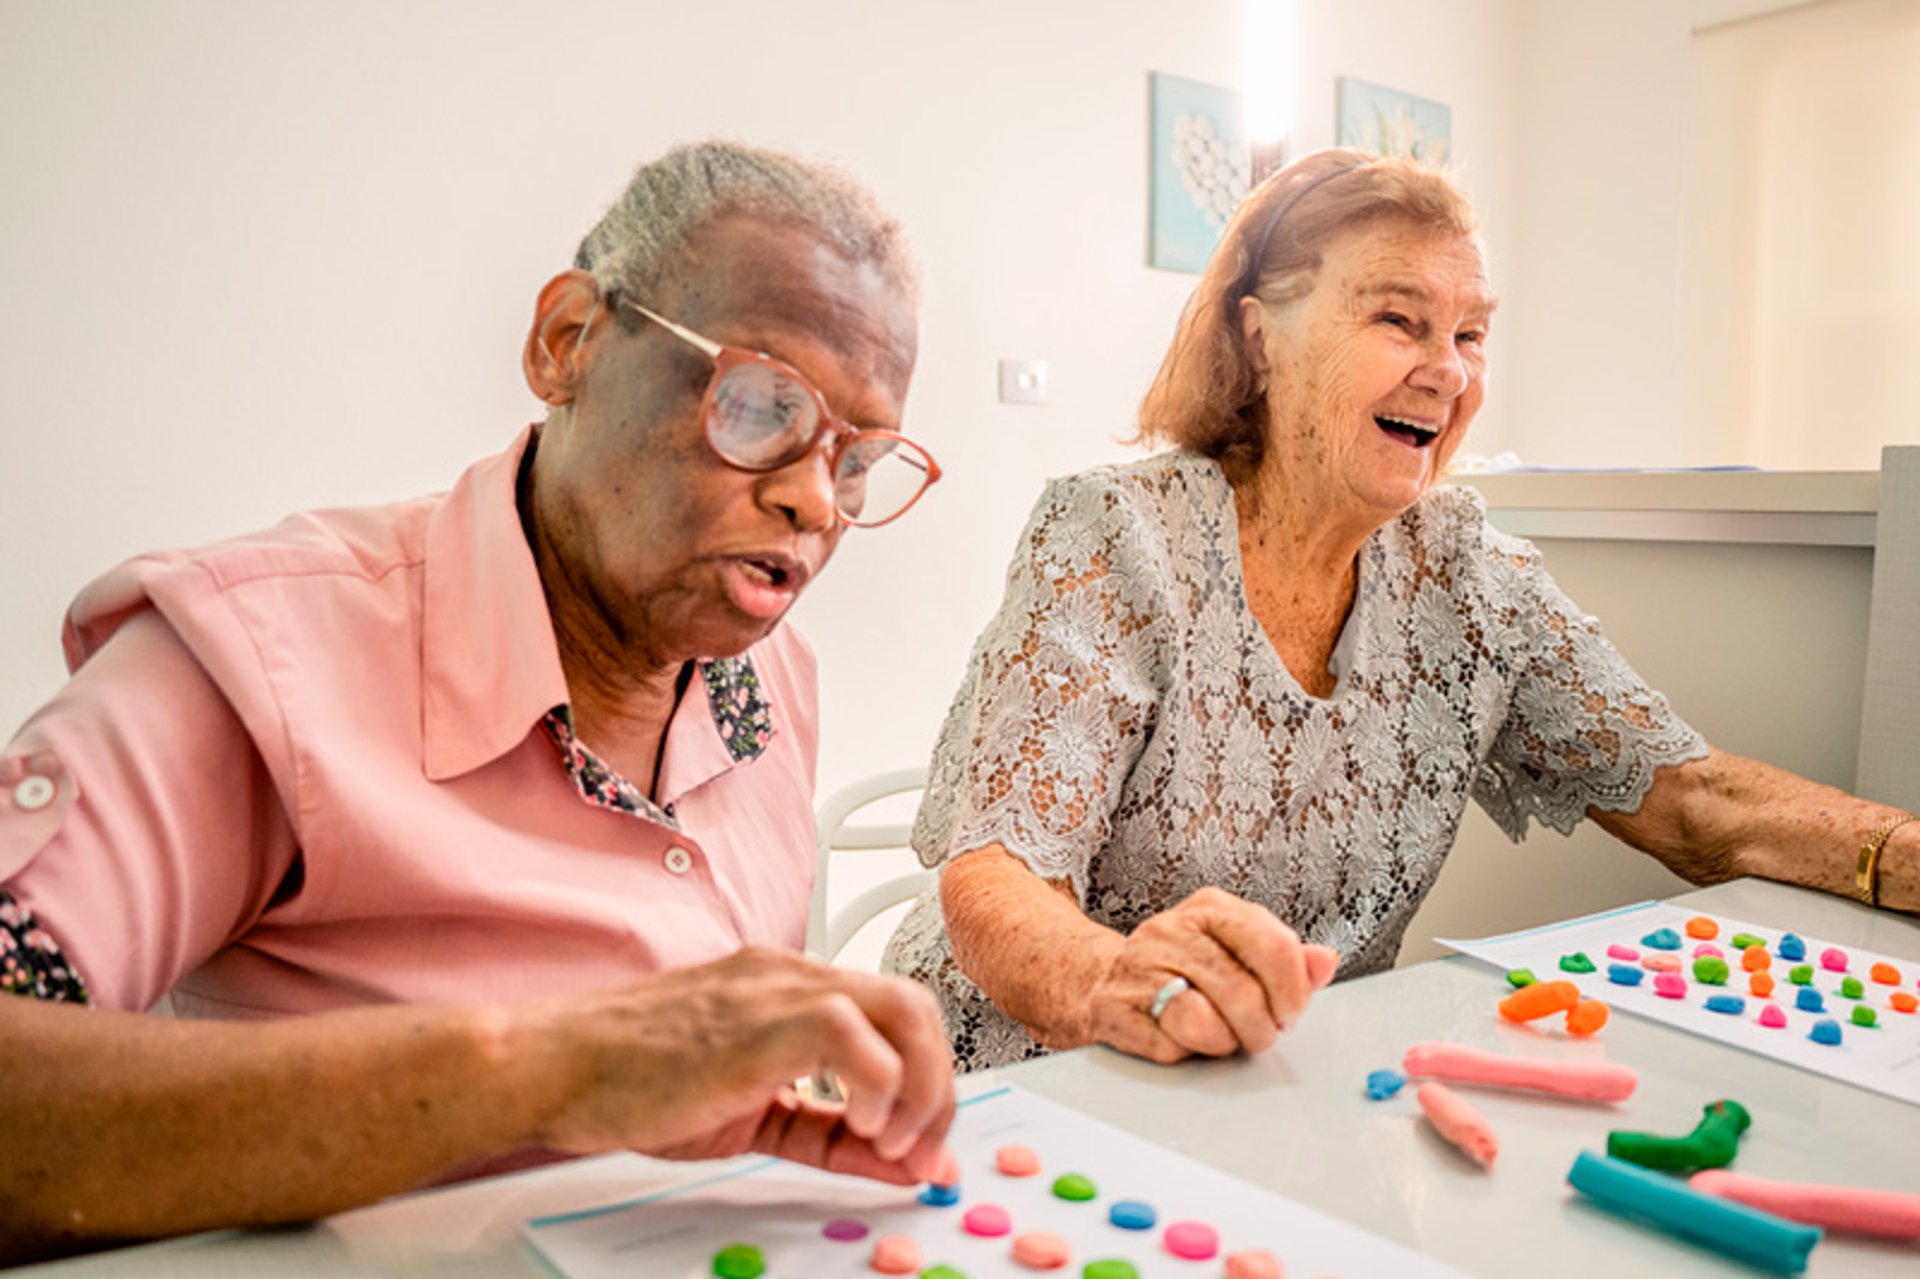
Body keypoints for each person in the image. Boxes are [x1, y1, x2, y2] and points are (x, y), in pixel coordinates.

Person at [0, 140, 956, 1263]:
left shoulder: (770, 685)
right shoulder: (255, 658)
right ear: (568, 343)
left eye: (857, 460)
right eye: (759, 404)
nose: (811, 500)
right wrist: (543, 1070)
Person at [883, 147, 1919, 1074]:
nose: (1450, 370)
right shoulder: (1117, 532)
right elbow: (998, 885)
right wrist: (1132, 988)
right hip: (1019, 1082)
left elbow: (1694, 804)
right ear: (1261, 338)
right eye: (1397, 318)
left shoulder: (1471, 575)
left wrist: (1896, 850)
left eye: (1470, 333)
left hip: (1269, 1090)